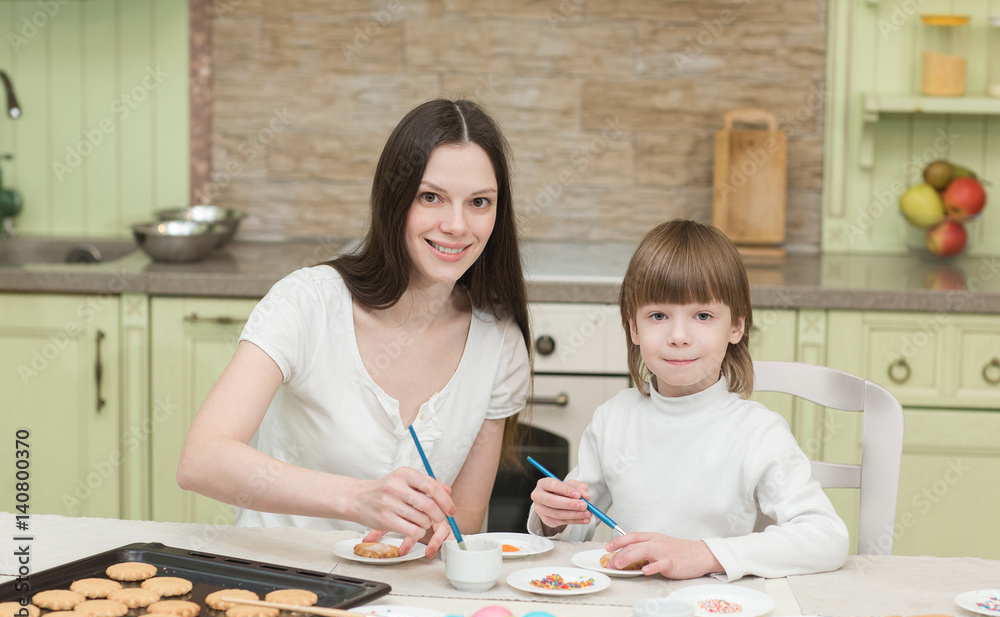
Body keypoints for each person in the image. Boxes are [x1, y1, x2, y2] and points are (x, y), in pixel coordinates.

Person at [177, 99, 531, 559]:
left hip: (398, 598)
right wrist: (357, 499)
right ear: (394, 198)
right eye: (431, 197)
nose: (456, 226)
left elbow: (463, 514)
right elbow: (202, 459)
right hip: (277, 575)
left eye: (479, 202)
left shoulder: (499, 342)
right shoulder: (308, 303)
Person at [527, 219, 848, 581]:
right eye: (659, 315)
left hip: (721, 612)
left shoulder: (757, 432)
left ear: (736, 326)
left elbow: (827, 537)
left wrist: (703, 553)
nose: (679, 336)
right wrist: (553, 518)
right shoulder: (612, 419)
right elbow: (575, 533)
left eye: (703, 315)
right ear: (634, 327)